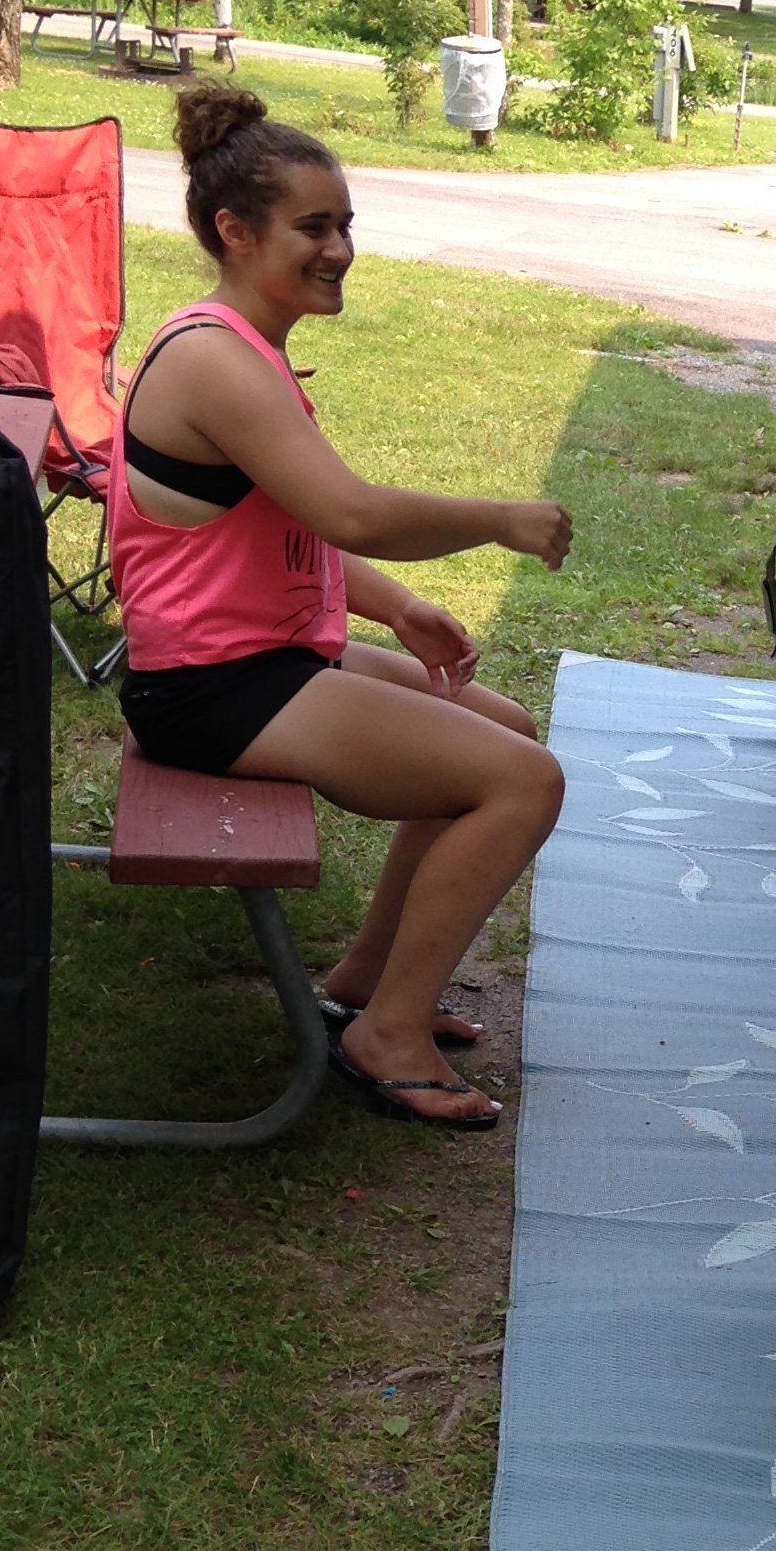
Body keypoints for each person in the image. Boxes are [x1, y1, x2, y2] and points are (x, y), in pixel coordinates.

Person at [109, 85, 572, 1131]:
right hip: (211, 689)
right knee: (522, 782)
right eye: (313, 228)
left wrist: (398, 606)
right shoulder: (212, 358)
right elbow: (349, 512)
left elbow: (277, 525)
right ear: (235, 231)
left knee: (503, 729)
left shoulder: (243, 348)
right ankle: (389, 1037)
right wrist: (500, 519)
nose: (340, 250)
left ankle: (367, 979)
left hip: (262, 663)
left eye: (345, 225)